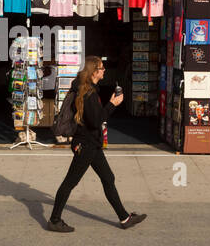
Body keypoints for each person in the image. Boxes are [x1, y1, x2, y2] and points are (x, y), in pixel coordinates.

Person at [46, 56, 146, 232]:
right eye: (101, 68)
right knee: (70, 183)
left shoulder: (86, 88)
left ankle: (124, 218)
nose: (104, 70)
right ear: (94, 72)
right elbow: (96, 120)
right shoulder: (88, 93)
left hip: (90, 143)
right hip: (86, 145)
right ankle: (54, 220)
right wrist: (112, 104)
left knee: (108, 178)